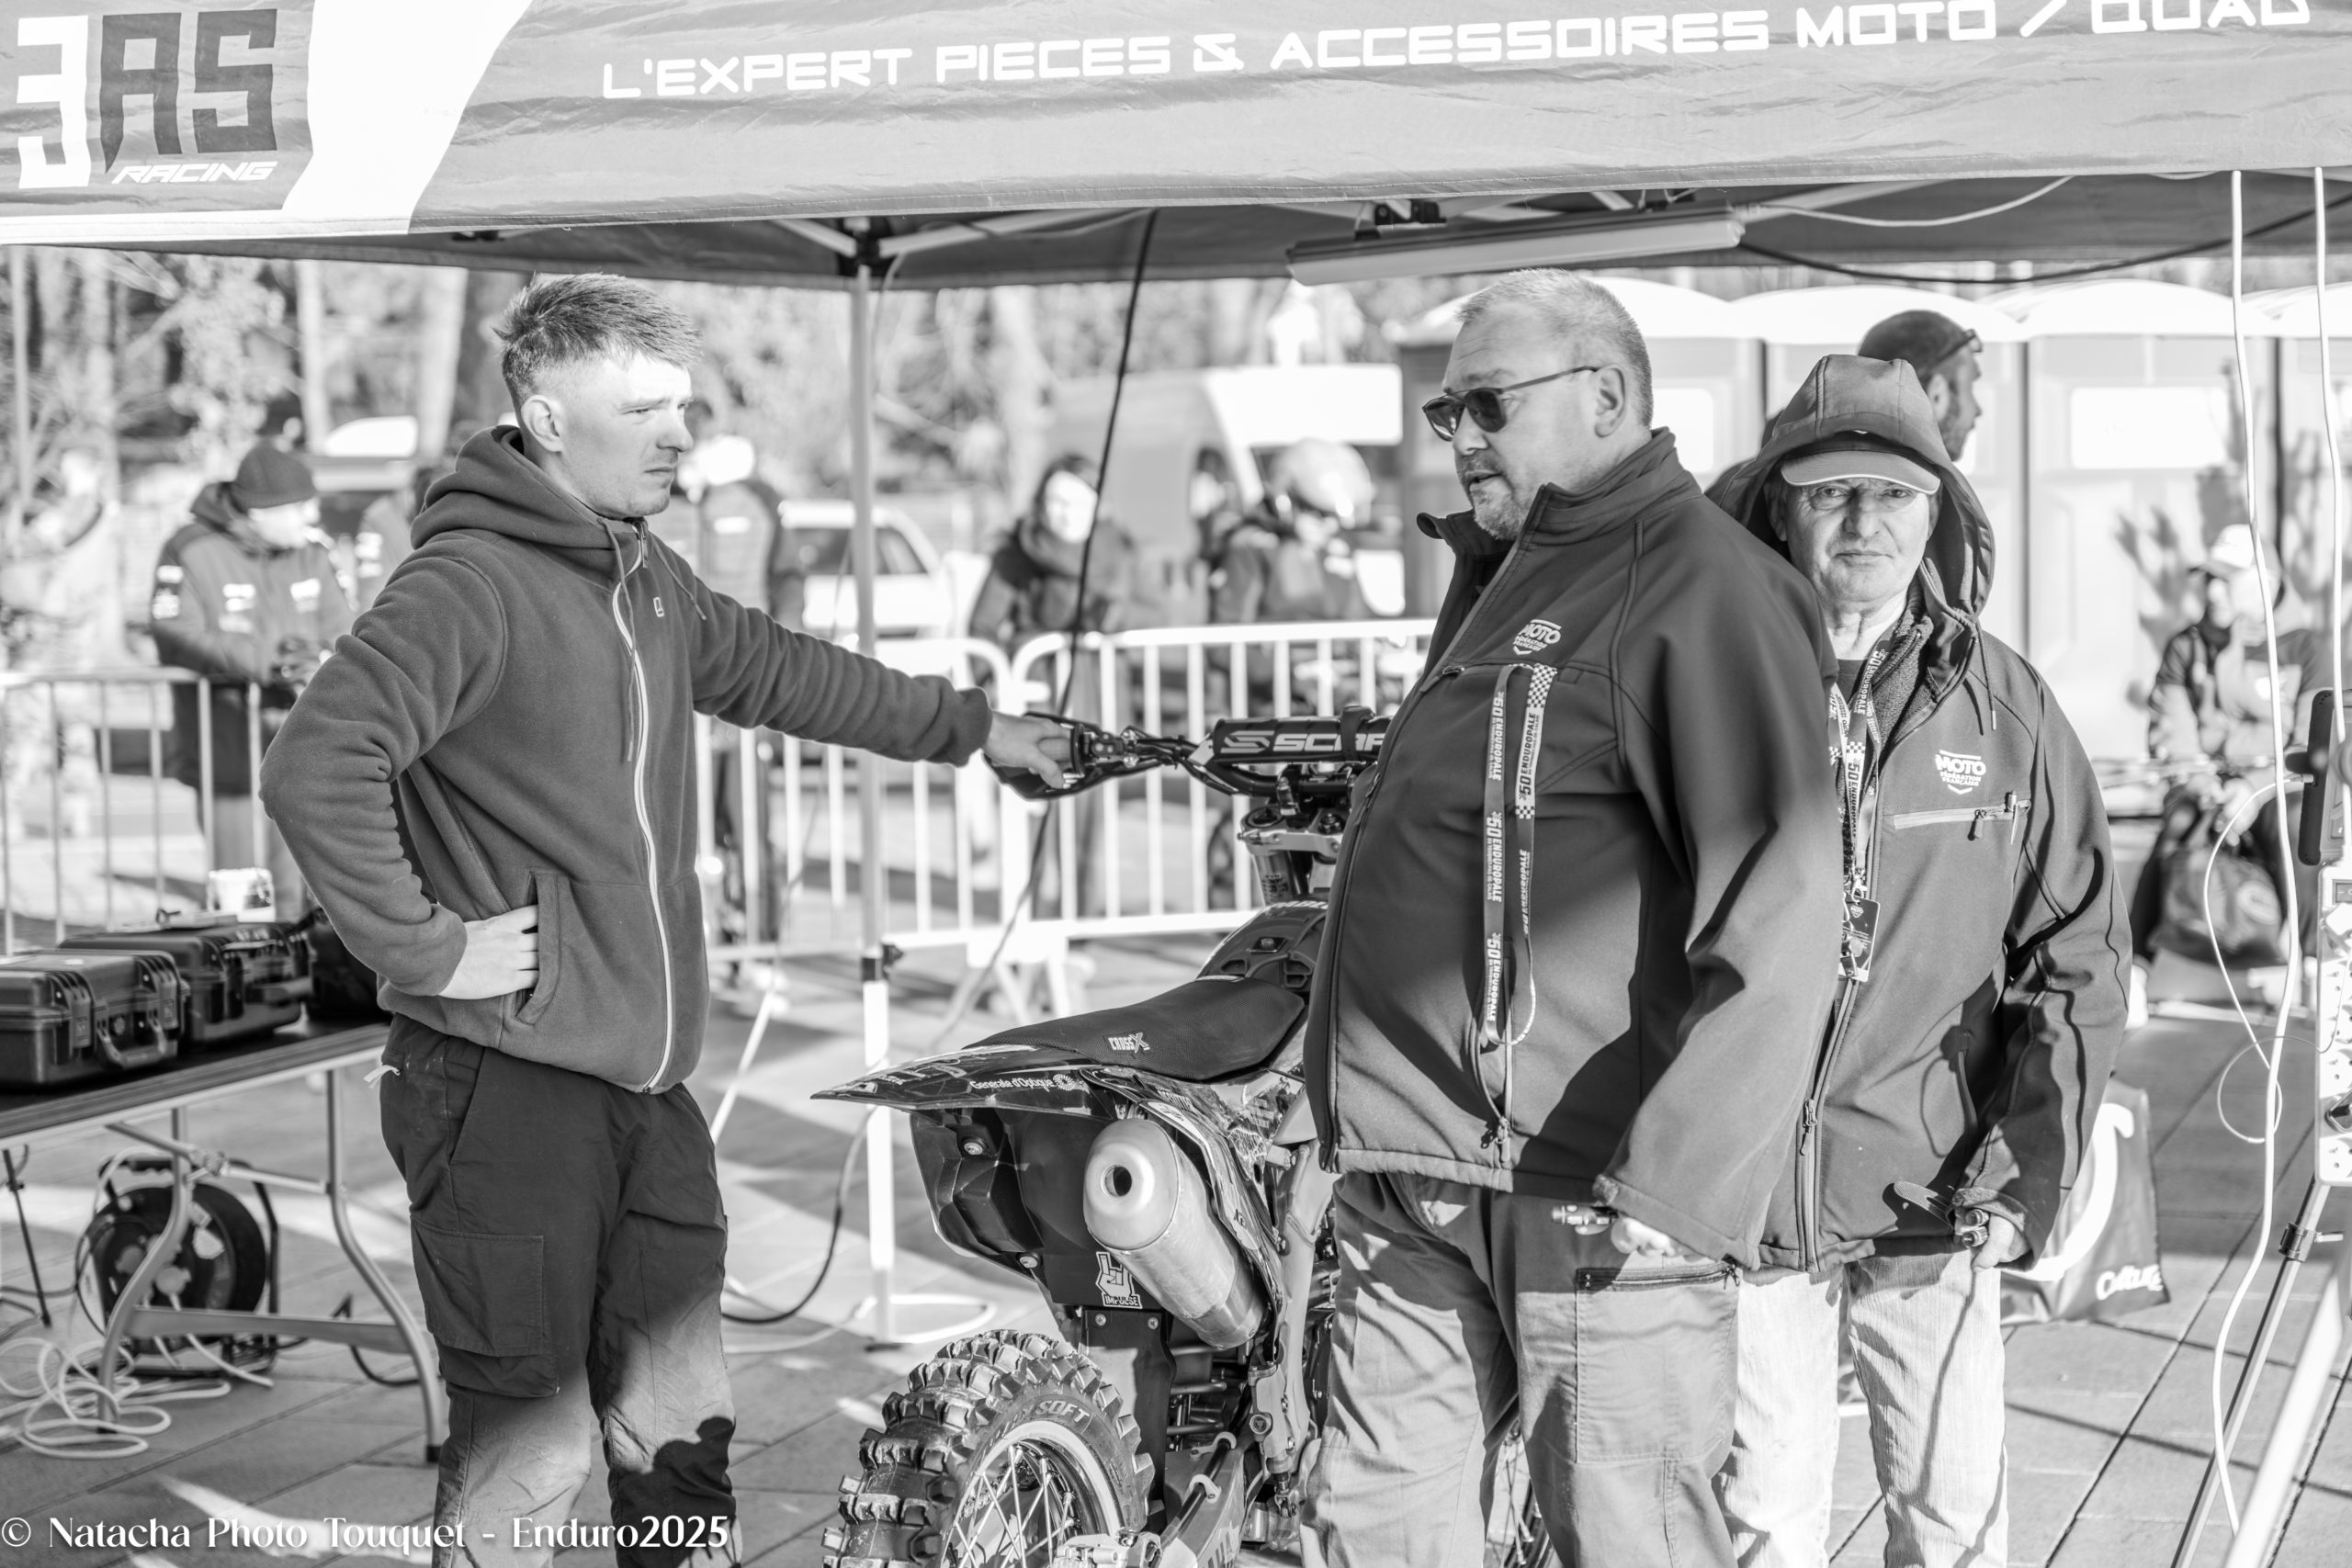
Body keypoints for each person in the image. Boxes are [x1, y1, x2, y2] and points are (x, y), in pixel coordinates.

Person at [258, 274, 1069, 1568]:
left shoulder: (646, 575)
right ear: (547, 419)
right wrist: (427, 949)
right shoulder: (468, 583)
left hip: (648, 1089)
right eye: (645, 409)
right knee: (529, 1448)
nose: (680, 433)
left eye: (682, 406)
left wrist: (980, 727)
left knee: (681, 1433)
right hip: (502, 1085)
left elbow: (791, 672)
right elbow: (315, 763)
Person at [1303, 269, 1843, 1567]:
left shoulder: (1702, 585)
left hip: (1590, 1199)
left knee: (1627, 1539)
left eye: (1487, 403)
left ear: (1605, 394)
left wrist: (1673, 1184)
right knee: (1374, 1538)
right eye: (1447, 412)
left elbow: (1781, 908)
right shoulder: (1512, 567)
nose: (1460, 436)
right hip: (1415, 1174)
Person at [1713, 355, 2127, 1568]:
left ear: (1937, 510)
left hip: (1934, 1193)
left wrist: (2026, 1172)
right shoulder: (1698, 688)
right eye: (1832, 491)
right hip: (1743, 1196)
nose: (1864, 521)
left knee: (1954, 1526)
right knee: (1763, 1526)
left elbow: (2077, 954)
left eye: (1892, 493)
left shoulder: (2005, 709)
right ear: (1778, 505)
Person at [2127, 523, 2323, 1013]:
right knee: (2177, 826)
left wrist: (2253, 791)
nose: (2212, 590)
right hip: (2206, 788)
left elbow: (2311, 744)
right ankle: (2132, 975)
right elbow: (2172, 738)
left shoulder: (2304, 649)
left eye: (2226, 579)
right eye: (2209, 578)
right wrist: (2211, 790)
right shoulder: (2185, 647)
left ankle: (2315, 967)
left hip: (2276, 787)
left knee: (2300, 826)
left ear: (2266, 584)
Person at [150, 441, 353, 913]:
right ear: (260, 513)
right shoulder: (190, 548)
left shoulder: (313, 550)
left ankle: (298, 962)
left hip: (305, 751)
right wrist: (268, 662)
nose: (312, 515)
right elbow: (175, 634)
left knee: (302, 895)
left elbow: (344, 627)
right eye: (300, 507)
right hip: (229, 753)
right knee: (240, 899)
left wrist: (317, 656)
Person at [1706, 308, 1985, 515]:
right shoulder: (1910, 509)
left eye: (1896, 493)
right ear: (1937, 394)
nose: (1978, 410)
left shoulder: (1742, 484)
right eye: (1970, 386)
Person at [967, 454, 1134, 655]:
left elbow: (1149, 616)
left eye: (1080, 502)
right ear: (1041, 502)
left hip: (1105, 671)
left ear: (1098, 504)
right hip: (1034, 669)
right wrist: (999, 673)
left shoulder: (1121, 551)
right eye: (1058, 502)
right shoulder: (1018, 551)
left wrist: (1112, 618)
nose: (1068, 514)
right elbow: (983, 627)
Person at [1207, 438, 1375, 626]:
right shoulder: (1253, 545)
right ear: (1286, 502)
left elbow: (1358, 614)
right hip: (1279, 645)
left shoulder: (1337, 547)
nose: (1329, 526)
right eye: (1317, 513)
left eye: (1334, 518)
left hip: (1333, 645)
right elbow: (1232, 626)